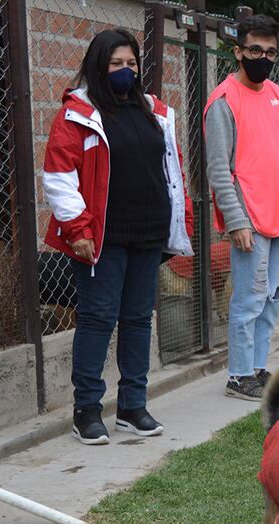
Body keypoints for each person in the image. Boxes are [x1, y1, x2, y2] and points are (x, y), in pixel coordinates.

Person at [42, 28, 193, 445]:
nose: (126, 71)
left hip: (148, 233)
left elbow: (173, 170)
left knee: (139, 319)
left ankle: (132, 406)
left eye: (131, 63)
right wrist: (77, 229)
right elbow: (59, 177)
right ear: (98, 66)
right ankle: (87, 411)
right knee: (97, 319)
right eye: (116, 64)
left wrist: (180, 221)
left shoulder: (154, 111)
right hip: (100, 238)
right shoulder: (77, 114)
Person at [204, 14, 279, 401]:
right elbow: (219, 170)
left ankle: (257, 367)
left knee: (273, 296)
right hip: (251, 217)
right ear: (238, 52)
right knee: (249, 299)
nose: (262, 58)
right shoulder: (222, 101)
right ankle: (238, 376)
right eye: (255, 50)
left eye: (270, 52)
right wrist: (237, 221)